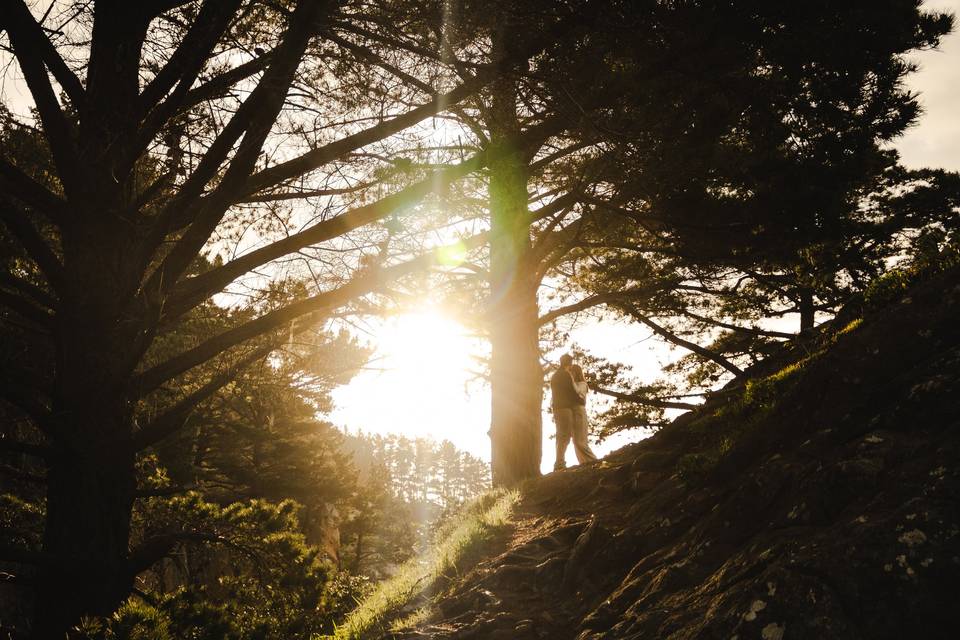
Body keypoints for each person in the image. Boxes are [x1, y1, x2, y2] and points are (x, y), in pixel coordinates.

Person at [550, 355, 596, 470]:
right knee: (569, 438)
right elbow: (571, 393)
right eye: (571, 369)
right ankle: (563, 463)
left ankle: (592, 462)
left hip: (575, 410)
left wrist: (580, 401)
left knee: (577, 440)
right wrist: (579, 400)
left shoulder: (559, 376)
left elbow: (575, 394)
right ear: (568, 364)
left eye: (573, 372)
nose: (571, 372)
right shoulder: (564, 375)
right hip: (567, 409)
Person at [568, 364, 598, 465]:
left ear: (576, 372)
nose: (570, 374)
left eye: (571, 372)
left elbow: (579, 394)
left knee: (580, 441)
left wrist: (571, 381)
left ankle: (594, 461)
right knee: (575, 442)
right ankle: (584, 463)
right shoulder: (572, 384)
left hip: (579, 411)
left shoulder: (582, 384)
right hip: (572, 412)